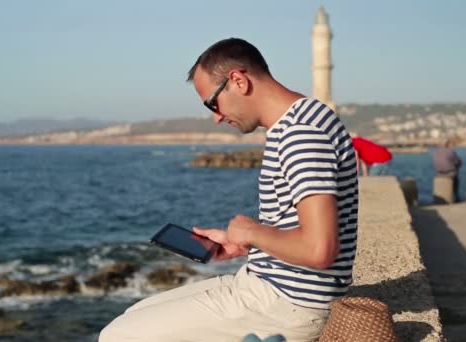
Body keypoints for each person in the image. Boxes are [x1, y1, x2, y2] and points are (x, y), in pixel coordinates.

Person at [99, 38, 359, 342]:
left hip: (288, 304)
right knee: (131, 316)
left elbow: (319, 249)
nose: (216, 117)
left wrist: (250, 231)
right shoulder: (299, 121)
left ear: (238, 80)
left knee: (117, 337)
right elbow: (302, 230)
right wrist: (243, 244)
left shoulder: (301, 134)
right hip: (265, 285)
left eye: (213, 103)